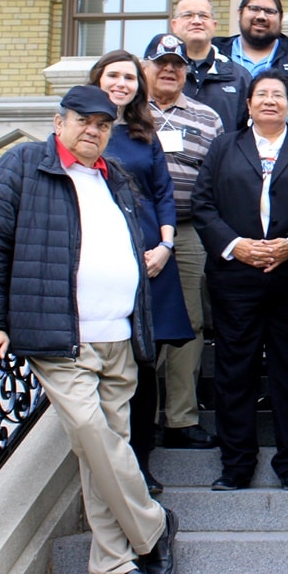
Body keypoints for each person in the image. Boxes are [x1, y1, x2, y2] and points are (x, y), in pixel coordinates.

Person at [0, 85, 177, 574]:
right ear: (59, 121)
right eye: (83, 120)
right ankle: (151, 524)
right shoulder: (22, 166)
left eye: (103, 125)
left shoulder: (117, 177)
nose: (93, 131)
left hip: (120, 336)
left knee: (104, 450)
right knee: (91, 433)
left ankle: (109, 563)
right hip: (63, 336)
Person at [192, 70, 288, 492]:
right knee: (235, 371)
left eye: (278, 95)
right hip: (236, 278)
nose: (270, 100)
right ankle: (236, 465)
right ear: (247, 105)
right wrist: (235, 246)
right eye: (260, 94)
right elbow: (203, 204)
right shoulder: (223, 147)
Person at [89, 50, 193, 496]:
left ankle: (141, 466)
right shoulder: (84, 131)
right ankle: (112, 462)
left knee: (143, 363)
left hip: (150, 258)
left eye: (128, 77)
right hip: (102, 259)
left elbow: (163, 192)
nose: (121, 83)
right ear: (98, 80)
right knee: (110, 366)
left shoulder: (142, 133)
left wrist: (167, 244)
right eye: (113, 75)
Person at [143, 35, 224, 453]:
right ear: (146, 68)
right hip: (138, 231)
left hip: (190, 231)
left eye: (176, 64)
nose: (170, 70)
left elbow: (220, 175)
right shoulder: (127, 115)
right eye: (161, 63)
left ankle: (181, 418)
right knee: (139, 321)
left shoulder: (207, 117)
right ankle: (142, 416)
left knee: (189, 322)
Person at [168, 0, 253, 132]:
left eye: (203, 16)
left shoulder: (239, 78)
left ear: (214, 25)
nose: (196, 21)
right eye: (188, 15)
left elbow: (248, 133)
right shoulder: (162, 75)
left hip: (225, 154)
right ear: (174, 25)